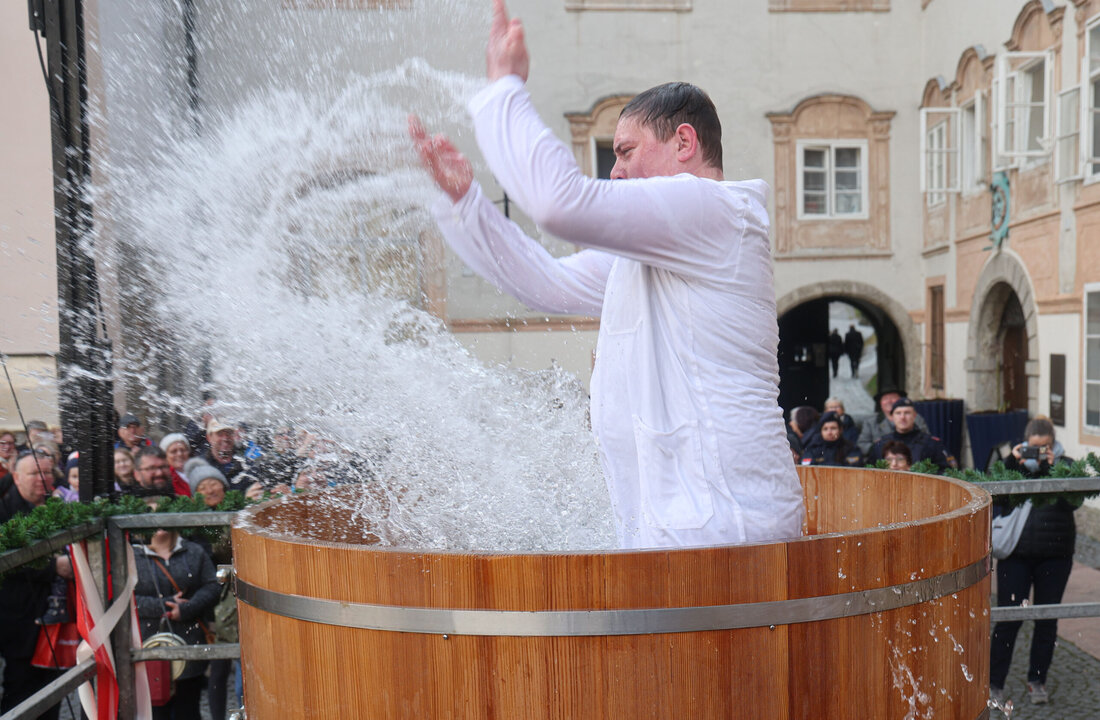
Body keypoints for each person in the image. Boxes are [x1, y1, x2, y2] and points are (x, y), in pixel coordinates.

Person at [408, 0, 804, 549]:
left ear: (684, 143)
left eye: (625, 151)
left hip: (726, 525)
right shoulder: (652, 252)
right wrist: (464, 202)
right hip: (678, 529)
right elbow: (541, 282)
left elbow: (559, 205)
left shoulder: (715, 211)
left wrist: (505, 89)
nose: (614, 170)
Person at [989, 417, 1077, 706]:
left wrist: (1052, 466)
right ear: (1024, 443)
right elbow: (996, 496)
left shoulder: (1066, 464)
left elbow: (1072, 501)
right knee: (1007, 620)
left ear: (1053, 444)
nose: (1039, 453)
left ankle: (1037, 680)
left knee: (1046, 620)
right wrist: (1012, 462)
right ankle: (994, 683)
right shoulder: (1012, 465)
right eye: (1034, 448)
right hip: (1016, 555)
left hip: (1055, 554)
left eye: (1045, 447)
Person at [0, 451, 73, 720]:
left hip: (53, 615)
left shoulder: (55, 506)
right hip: (17, 617)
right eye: (34, 473)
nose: (42, 479)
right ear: (16, 476)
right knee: (20, 688)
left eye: (47, 473)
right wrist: (53, 567)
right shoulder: (4, 508)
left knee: (51, 687)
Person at [132, 528, 219, 720]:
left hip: (189, 643)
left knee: (188, 710)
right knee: (155, 712)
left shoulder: (194, 551)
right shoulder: (131, 555)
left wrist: (188, 609)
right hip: (148, 647)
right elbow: (123, 598)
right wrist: (164, 606)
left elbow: (212, 586)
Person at [870, 398, 955, 472]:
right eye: (898, 413)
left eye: (907, 413)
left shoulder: (931, 444)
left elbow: (947, 471)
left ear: (914, 416)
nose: (902, 417)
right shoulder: (881, 444)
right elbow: (870, 471)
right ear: (892, 417)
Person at [857, 387, 929, 455]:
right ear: (880, 403)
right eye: (885, 399)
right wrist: (879, 447)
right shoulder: (871, 422)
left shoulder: (916, 418)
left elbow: (926, 440)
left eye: (893, 398)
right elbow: (862, 445)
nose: (889, 401)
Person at [160, 433, 195, 498]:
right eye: (173, 451)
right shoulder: (164, 478)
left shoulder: (198, 471)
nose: (179, 454)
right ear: (165, 456)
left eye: (182, 450)